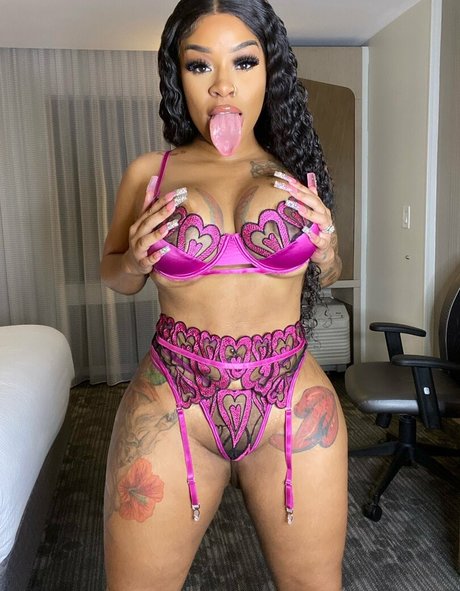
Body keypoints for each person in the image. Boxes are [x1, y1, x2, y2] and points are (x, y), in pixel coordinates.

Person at [100, 0, 347, 589]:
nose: (223, 86)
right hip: (173, 401)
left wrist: (330, 253)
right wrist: (133, 259)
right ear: (177, 75)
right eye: (199, 65)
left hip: (290, 399)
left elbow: (330, 273)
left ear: (270, 70)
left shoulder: (297, 170)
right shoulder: (150, 173)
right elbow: (115, 276)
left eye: (243, 61)